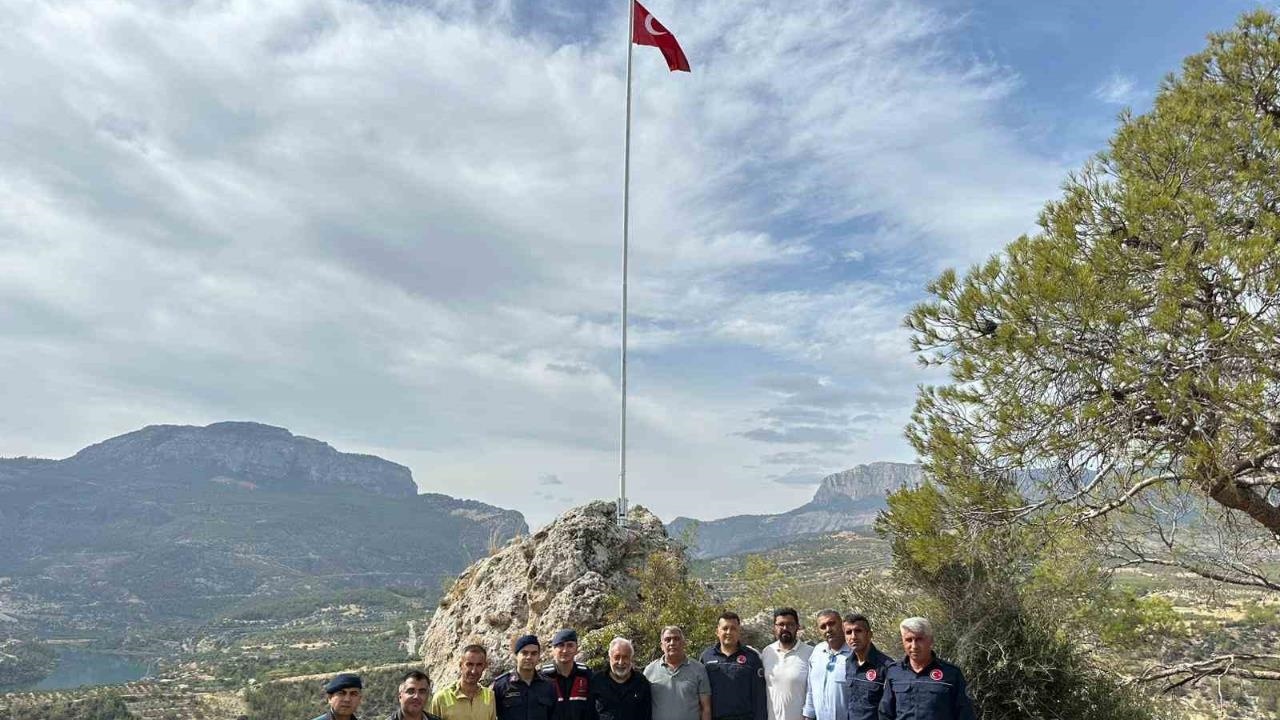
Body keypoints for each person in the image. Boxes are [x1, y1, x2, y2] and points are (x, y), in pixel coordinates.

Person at [878, 617, 975, 720]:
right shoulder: (894, 672)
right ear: (903, 641)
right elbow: (886, 713)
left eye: (919, 639)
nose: (914, 646)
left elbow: (965, 714)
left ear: (931, 640)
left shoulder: (951, 673)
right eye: (908, 640)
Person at [699, 611, 766, 720]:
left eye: (733, 628)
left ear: (739, 631)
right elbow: (701, 695)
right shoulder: (706, 657)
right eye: (725, 628)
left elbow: (759, 697)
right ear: (717, 631)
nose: (729, 632)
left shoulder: (752, 657)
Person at [644, 625, 711, 720]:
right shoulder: (650, 671)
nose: (672, 643)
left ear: (683, 643)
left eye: (676, 639)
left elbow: (706, 708)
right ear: (662, 646)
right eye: (668, 640)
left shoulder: (699, 669)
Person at [761, 608, 811, 720]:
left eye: (790, 624)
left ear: (798, 627)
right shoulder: (767, 652)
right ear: (774, 627)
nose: (785, 628)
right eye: (781, 624)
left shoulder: (810, 653)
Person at [800, 610, 851, 720]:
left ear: (842, 624)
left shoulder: (854, 653)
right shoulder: (817, 651)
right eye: (823, 627)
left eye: (832, 623)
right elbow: (811, 688)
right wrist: (808, 714)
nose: (828, 629)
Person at [841, 614, 892, 720]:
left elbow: (891, 708)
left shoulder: (887, 666)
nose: (853, 636)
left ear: (869, 634)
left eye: (858, 631)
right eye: (848, 632)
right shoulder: (849, 663)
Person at [495, 635, 556, 720]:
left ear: (538, 656)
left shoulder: (549, 685)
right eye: (524, 653)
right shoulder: (501, 685)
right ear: (516, 655)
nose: (529, 657)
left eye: (534, 653)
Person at [591, 637, 652, 720]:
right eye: (617, 657)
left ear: (631, 659)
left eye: (625, 657)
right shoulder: (596, 681)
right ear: (610, 658)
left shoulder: (641, 682)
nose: (621, 662)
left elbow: (647, 715)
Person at [540, 628, 596, 720]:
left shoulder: (586, 675)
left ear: (576, 649)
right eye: (561, 645)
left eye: (570, 645)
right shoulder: (543, 677)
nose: (565, 650)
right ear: (553, 649)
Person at [432, 644, 498, 720]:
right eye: (469, 664)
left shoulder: (490, 696)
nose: (473, 671)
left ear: (484, 666)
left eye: (479, 665)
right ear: (461, 665)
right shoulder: (440, 698)